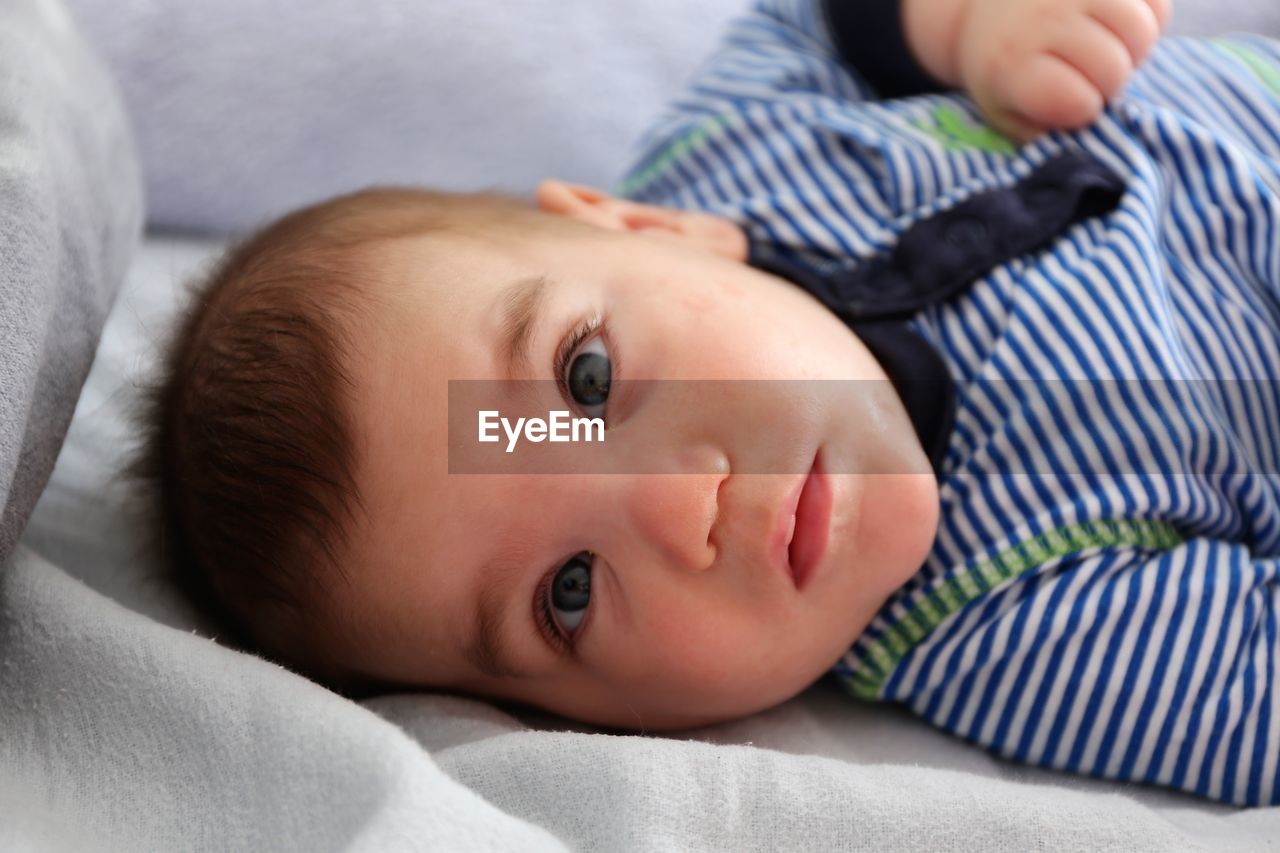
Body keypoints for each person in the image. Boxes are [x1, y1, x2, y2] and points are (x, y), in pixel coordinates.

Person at [130, 0, 1280, 805]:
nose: (687, 505)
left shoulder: (740, 153)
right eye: (566, 595)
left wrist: (965, 25)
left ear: (638, 226)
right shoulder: (1011, 627)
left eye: (586, 379)